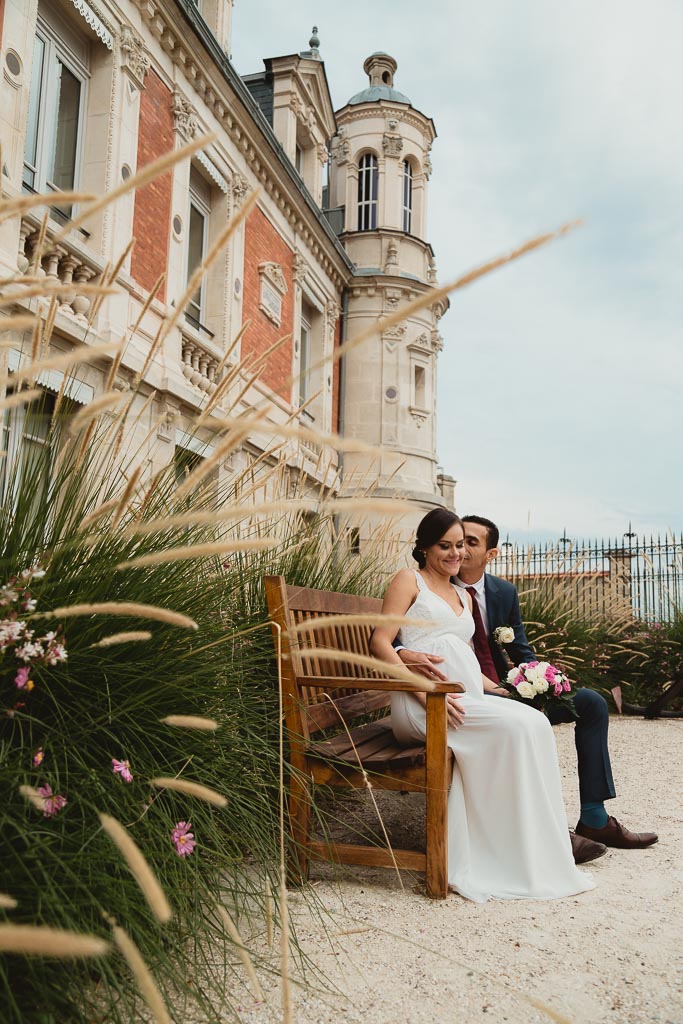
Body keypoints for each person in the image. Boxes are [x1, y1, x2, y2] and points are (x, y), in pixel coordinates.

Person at [394, 513, 658, 861]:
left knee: (591, 703)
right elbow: (392, 640)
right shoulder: (426, 584)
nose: (459, 550)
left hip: (504, 687)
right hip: (454, 691)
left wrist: (542, 681)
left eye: (468, 543)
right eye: (453, 543)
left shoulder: (502, 592)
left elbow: (520, 650)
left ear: (490, 554)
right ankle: (546, 832)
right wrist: (403, 652)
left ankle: (594, 817)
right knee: (523, 728)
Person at [370, 507, 595, 902]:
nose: (455, 553)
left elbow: (466, 656)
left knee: (532, 723)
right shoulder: (410, 581)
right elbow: (380, 643)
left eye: (460, 545)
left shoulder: (460, 592)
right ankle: (494, 851)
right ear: (423, 547)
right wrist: (422, 690)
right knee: (516, 729)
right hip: (423, 703)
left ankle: (536, 845)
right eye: (445, 546)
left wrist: (503, 689)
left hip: (464, 696)